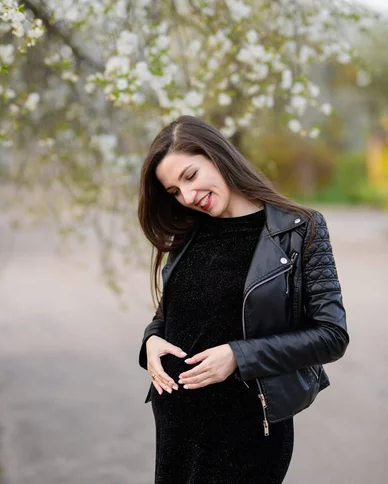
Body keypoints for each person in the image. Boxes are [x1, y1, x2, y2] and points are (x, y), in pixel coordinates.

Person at [137, 115, 349, 484]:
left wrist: (239, 356)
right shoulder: (189, 233)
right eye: (174, 191)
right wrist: (151, 341)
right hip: (176, 430)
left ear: (218, 156)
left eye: (189, 176)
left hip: (248, 431)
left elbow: (332, 335)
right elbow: (171, 311)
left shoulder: (300, 229)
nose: (187, 197)